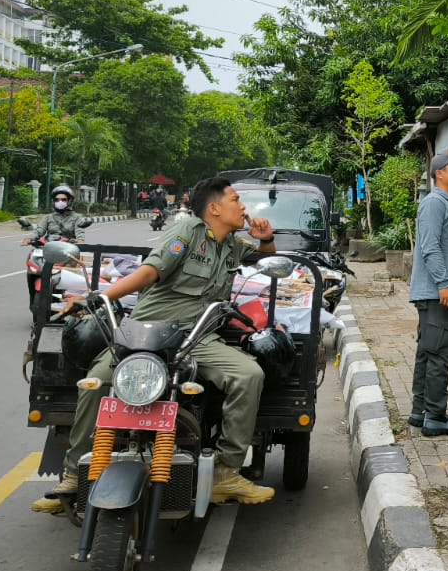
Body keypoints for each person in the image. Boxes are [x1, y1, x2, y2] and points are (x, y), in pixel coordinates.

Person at [32, 175, 280, 513]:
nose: (243, 207)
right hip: (146, 333)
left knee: (249, 375)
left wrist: (266, 240)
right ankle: (76, 473)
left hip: (198, 338)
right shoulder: (187, 232)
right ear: (214, 208)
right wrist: (98, 297)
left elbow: (263, 257)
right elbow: (149, 272)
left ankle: (225, 471)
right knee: (97, 381)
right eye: (236, 200)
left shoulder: (230, 244)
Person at [407, 149, 448, 437]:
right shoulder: (435, 203)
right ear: (439, 174)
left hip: (440, 293)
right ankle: (435, 416)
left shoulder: (444, 203)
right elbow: (430, 247)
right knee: (439, 356)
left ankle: (420, 412)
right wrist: (446, 285)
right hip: (436, 293)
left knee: (428, 352)